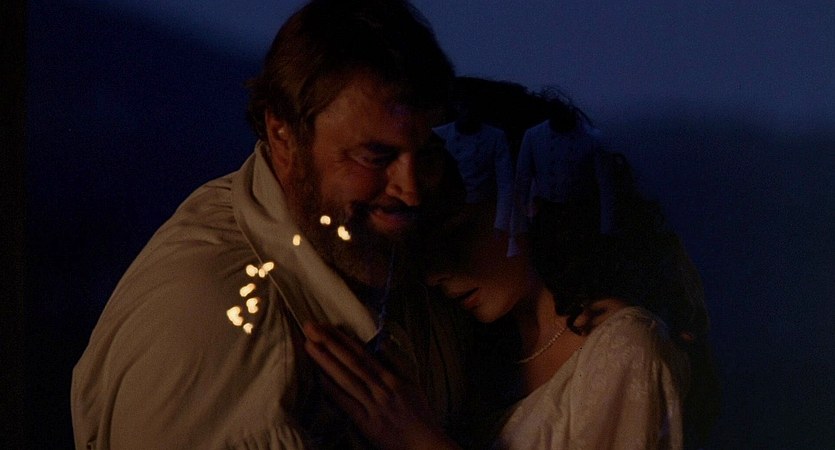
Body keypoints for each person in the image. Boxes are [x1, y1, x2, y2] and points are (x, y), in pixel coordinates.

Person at [71, 1, 471, 448]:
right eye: (374, 157)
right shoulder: (216, 326)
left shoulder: (400, 253)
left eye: (427, 152)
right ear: (283, 136)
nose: (411, 190)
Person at [303, 125, 718, 447]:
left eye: (457, 234)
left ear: (526, 202)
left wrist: (418, 440)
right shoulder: (479, 350)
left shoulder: (625, 349)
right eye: (422, 250)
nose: (436, 272)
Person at [433, 79, 514, 233]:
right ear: (456, 107)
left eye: (472, 107)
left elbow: (505, 184)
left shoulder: (495, 137)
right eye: (463, 106)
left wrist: (500, 224)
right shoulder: (439, 135)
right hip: (448, 212)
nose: (468, 112)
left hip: (482, 212)